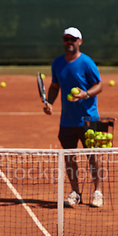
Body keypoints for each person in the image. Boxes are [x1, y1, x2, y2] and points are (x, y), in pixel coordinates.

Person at [43, 27, 104, 207]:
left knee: (93, 157)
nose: (69, 42)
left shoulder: (87, 62)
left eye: (73, 39)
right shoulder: (57, 63)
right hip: (67, 120)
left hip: (89, 119)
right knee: (70, 157)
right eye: (66, 39)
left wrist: (85, 94)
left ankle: (98, 192)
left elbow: (99, 85)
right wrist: (50, 102)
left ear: (79, 41)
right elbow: (55, 86)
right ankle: (75, 192)